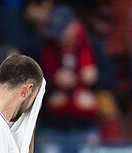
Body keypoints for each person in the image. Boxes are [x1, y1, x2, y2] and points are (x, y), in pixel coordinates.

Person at [40, 5, 100, 145]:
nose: (59, 37)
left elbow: (111, 81)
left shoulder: (93, 46)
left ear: (75, 26)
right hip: (53, 125)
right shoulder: (45, 47)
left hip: (86, 125)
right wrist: (53, 82)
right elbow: (33, 84)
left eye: (63, 31)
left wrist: (94, 80)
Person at [0, 0, 53, 100]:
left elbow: (37, 65)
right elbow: (2, 59)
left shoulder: (35, 30)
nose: (48, 15)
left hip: (24, 82)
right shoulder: (7, 20)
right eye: (46, 9)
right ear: (33, 6)